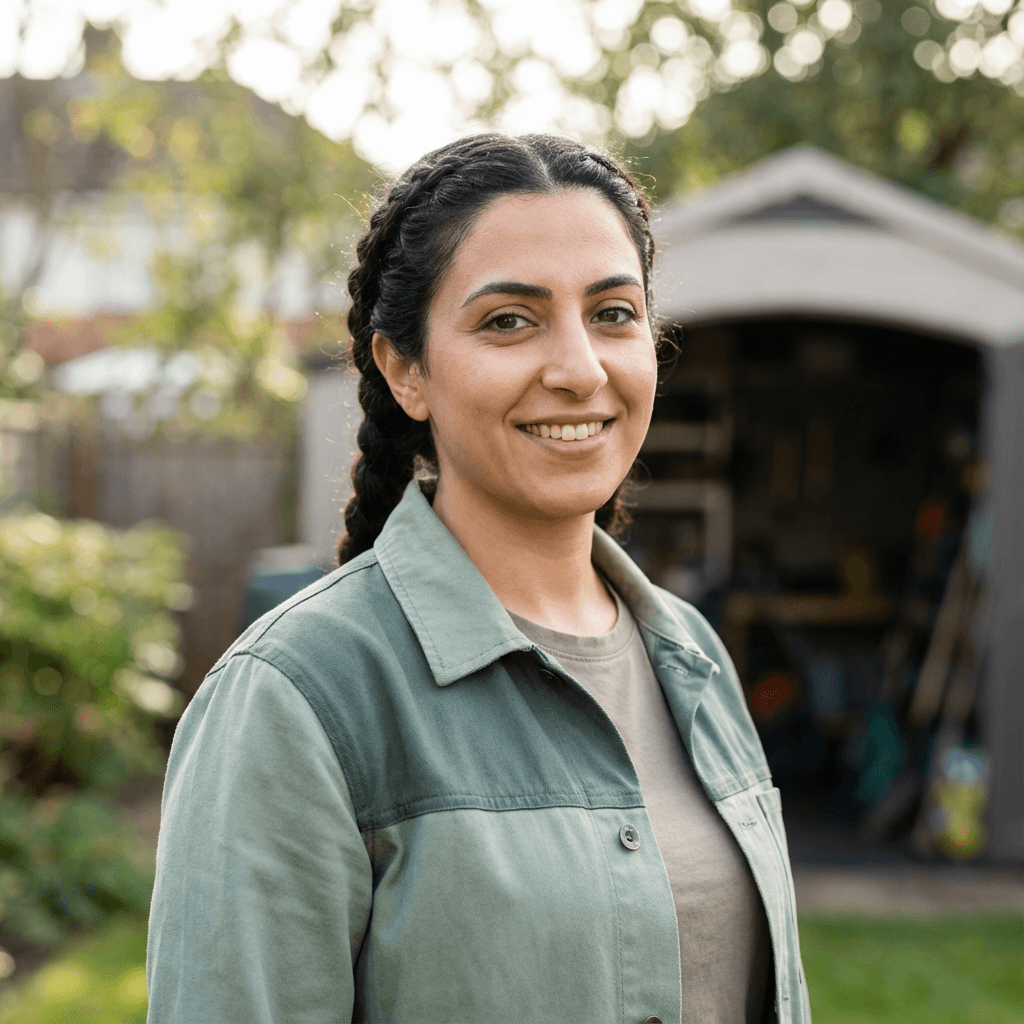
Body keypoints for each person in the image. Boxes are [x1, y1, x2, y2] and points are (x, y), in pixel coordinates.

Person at [146, 133, 811, 1024]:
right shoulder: (295, 697)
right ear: (406, 369)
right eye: (509, 320)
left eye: (613, 313)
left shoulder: (693, 658)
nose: (579, 369)